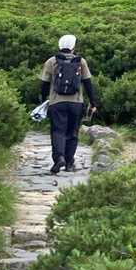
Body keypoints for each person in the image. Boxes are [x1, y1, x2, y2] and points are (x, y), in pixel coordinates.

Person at [39, 34, 99, 175]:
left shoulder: (51, 61)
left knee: (57, 131)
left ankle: (59, 158)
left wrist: (43, 100)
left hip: (56, 102)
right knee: (72, 132)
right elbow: (88, 83)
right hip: (76, 103)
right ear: (73, 47)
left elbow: (44, 83)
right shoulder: (81, 61)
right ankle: (69, 163)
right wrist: (93, 103)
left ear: (60, 46)